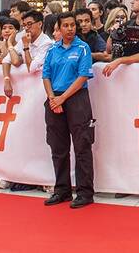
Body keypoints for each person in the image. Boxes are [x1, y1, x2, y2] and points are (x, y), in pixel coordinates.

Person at [41, 12, 95, 209]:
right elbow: (45, 75)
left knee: (82, 145)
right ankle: (61, 190)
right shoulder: (52, 50)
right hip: (54, 98)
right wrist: (52, 98)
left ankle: (85, 192)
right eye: (66, 25)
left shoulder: (82, 48)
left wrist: (63, 98)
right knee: (58, 147)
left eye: (73, 25)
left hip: (76, 98)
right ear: (59, 28)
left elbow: (83, 76)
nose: (70, 28)